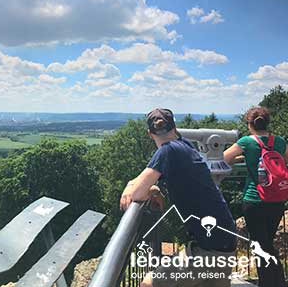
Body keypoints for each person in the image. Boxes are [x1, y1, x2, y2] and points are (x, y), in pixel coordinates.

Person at [121, 108, 237, 287]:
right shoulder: (184, 145)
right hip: (224, 240)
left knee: (149, 283)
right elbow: (146, 182)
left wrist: (140, 187)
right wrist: (150, 187)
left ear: (150, 134)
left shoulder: (167, 151)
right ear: (174, 128)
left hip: (209, 248)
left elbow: (136, 193)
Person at [223, 106, 287, 287]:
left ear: (250, 124)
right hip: (276, 200)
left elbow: (223, 158)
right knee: (266, 243)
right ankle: (276, 282)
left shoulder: (246, 142)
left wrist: (243, 158)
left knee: (261, 246)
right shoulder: (279, 141)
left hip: (254, 199)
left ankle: (271, 283)